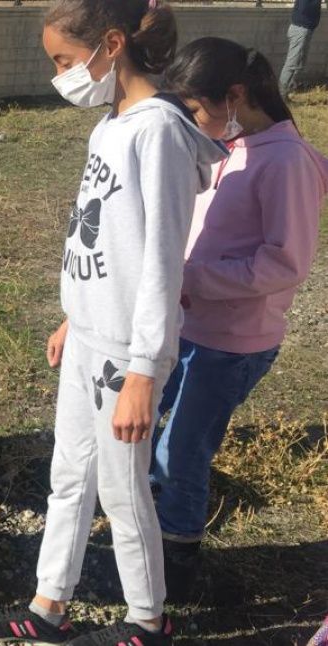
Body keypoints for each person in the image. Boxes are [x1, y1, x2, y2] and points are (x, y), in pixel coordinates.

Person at [0, 0, 226, 643]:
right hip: (88, 338)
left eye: (66, 60)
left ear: (112, 44)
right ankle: (49, 606)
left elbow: (163, 259)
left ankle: (147, 621)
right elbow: (103, 240)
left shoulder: (156, 132)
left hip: (123, 355)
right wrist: (72, 317)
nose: (62, 75)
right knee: (69, 477)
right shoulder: (111, 124)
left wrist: (144, 370)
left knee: (123, 490)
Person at [153, 38, 327, 602]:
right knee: (159, 430)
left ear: (235, 95)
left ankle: (175, 562)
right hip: (190, 324)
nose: (195, 123)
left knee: (182, 449)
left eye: (197, 109)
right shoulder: (236, 146)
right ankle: (155, 526)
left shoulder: (286, 161)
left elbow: (285, 261)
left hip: (231, 340)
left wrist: (194, 282)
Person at [279, 0, 324, 96]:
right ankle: (281, 94)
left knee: (299, 64)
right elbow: (304, 9)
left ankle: (287, 91)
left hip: (304, 29)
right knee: (292, 64)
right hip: (300, 29)